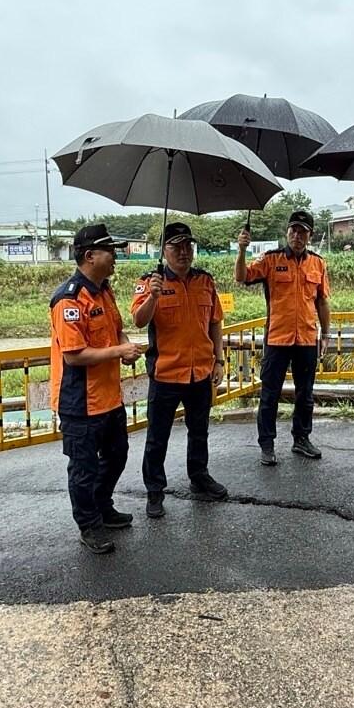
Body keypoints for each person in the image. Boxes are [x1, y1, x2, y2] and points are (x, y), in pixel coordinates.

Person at [49, 224, 142, 554]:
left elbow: (117, 331)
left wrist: (126, 346)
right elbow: (74, 356)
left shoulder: (105, 291)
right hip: (80, 402)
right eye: (110, 251)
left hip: (108, 397)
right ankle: (88, 525)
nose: (115, 257)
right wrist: (119, 352)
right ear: (90, 256)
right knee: (83, 468)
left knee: (117, 455)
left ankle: (102, 506)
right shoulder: (69, 299)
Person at [130, 222, 228, 518]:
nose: (183, 252)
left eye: (188, 246)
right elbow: (138, 320)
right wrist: (154, 296)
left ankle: (199, 476)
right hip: (166, 373)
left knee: (199, 431)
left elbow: (215, 322)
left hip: (200, 372)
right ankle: (155, 490)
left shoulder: (205, 281)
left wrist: (219, 360)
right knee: (157, 436)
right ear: (164, 251)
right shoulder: (150, 282)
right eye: (176, 247)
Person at [235, 209, 331, 465]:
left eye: (302, 231)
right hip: (277, 338)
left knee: (305, 394)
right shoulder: (271, 259)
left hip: (307, 339)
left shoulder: (318, 263)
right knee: (270, 394)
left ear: (310, 235)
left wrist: (326, 333)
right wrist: (242, 249)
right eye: (293, 230)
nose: (296, 236)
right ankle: (267, 444)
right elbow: (241, 276)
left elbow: (322, 302)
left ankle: (301, 439)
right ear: (287, 232)